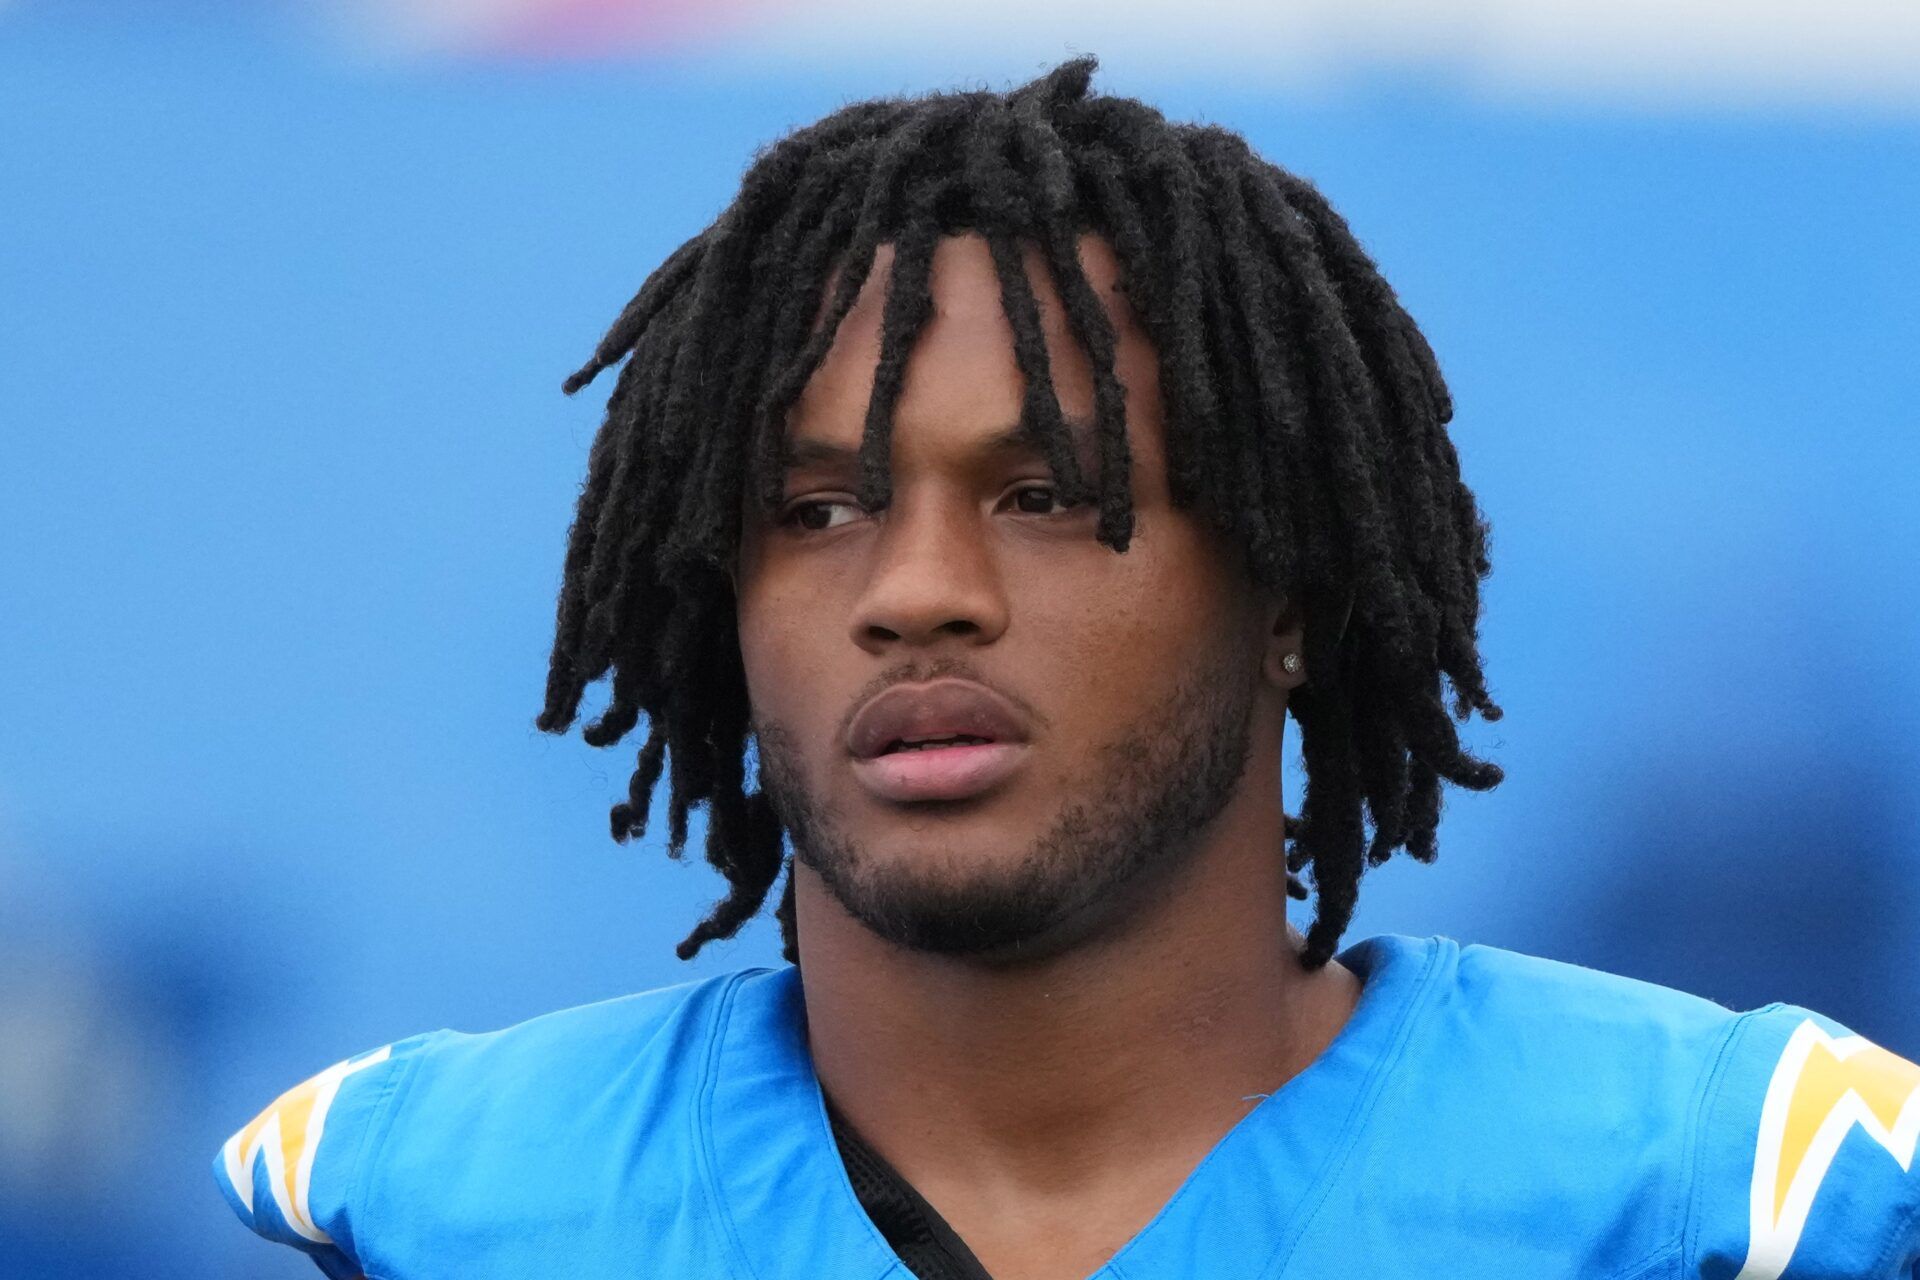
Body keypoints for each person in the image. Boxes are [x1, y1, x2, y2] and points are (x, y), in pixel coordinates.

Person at [213, 56, 1919, 1280]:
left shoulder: (1723, 1191)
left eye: (1048, 497)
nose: (918, 593)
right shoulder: (444, 1200)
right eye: (816, 510)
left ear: (1291, 590)